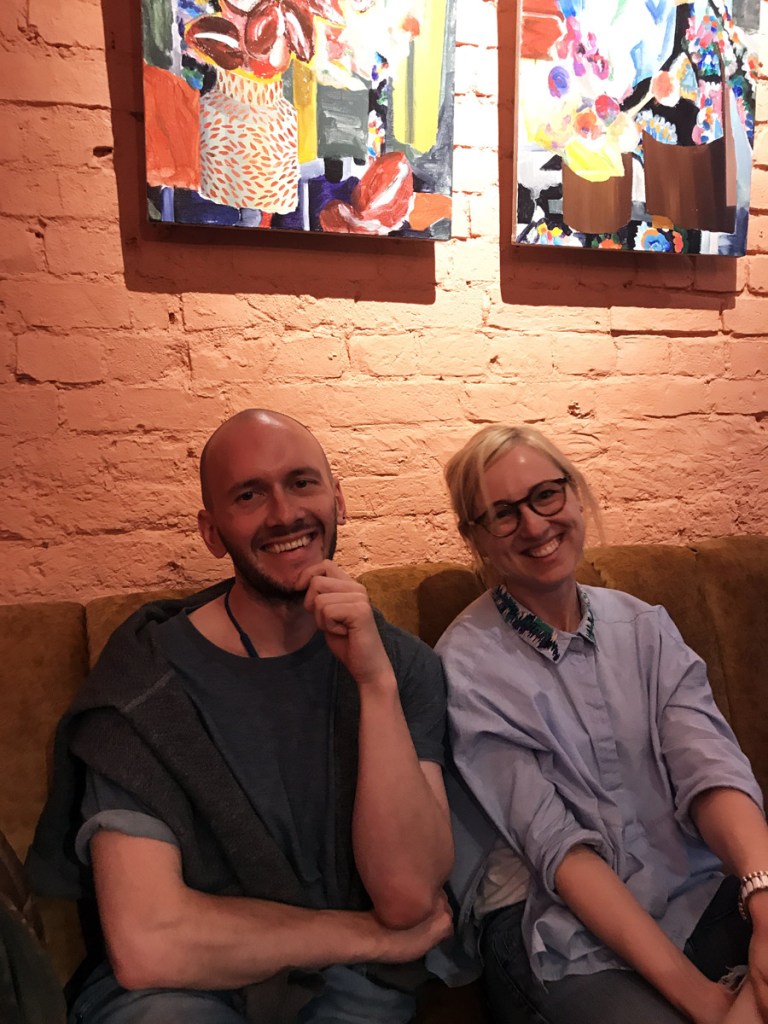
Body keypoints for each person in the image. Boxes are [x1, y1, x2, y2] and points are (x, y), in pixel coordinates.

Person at [27, 409, 453, 1024]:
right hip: (183, 992)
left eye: (302, 483)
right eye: (249, 495)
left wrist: (375, 685)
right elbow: (149, 943)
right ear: (211, 532)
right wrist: (372, 938)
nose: (284, 513)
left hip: (352, 990)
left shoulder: (402, 666)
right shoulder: (147, 681)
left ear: (338, 500)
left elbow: (409, 897)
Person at [433, 423, 768, 1024]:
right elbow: (562, 854)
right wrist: (707, 1003)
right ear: (474, 537)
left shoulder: (643, 626)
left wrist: (763, 900)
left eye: (545, 495)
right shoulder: (466, 666)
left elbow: (709, 771)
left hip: (688, 888)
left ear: (574, 493)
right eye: (503, 514)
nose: (534, 525)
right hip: (556, 927)